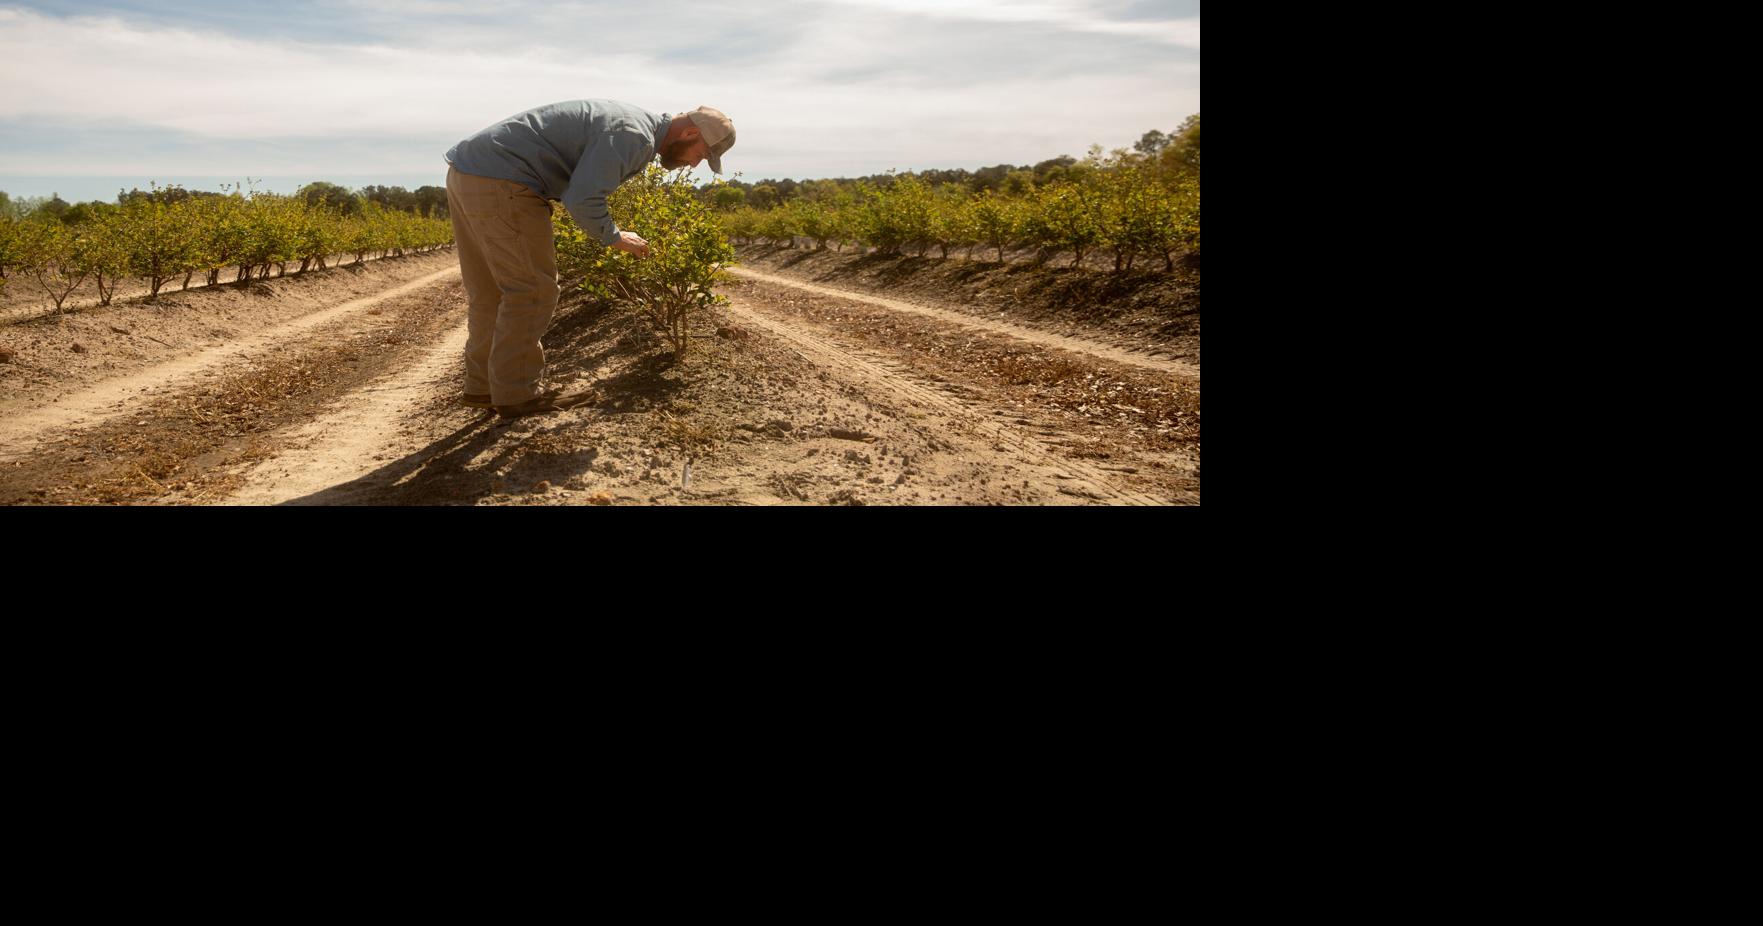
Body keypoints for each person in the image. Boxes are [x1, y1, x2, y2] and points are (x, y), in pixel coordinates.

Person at [443, 100, 736, 417]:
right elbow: (583, 197)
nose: (694, 165)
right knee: (532, 290)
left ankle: (483, 387)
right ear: (690, 132)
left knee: (490, 292)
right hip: (505, 180)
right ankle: (516, 395)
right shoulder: (635, 135)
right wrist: (615, 236)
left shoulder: (632, 123)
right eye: (701, 155)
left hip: (468, 173)